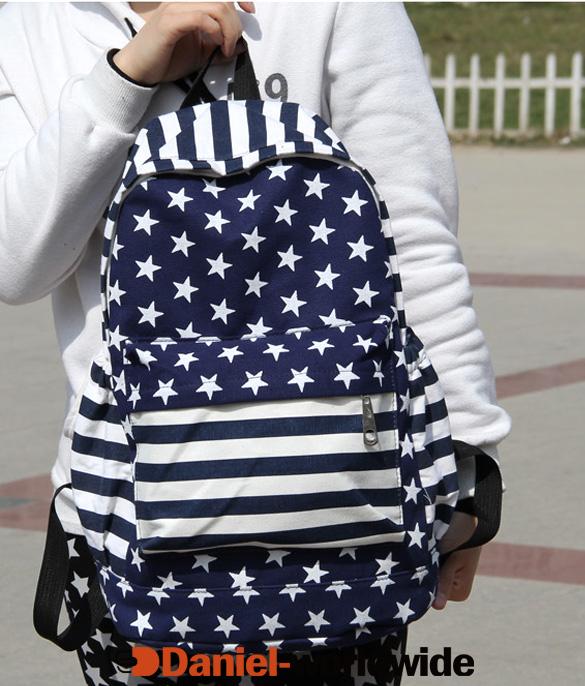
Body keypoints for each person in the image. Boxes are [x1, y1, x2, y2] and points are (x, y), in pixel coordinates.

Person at [0, 2, 512, 684]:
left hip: (345, 517)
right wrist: (126, 78)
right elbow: (18, 264)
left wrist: (467, 465)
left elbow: (413, 238)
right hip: (128, 524)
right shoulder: (26, 21)